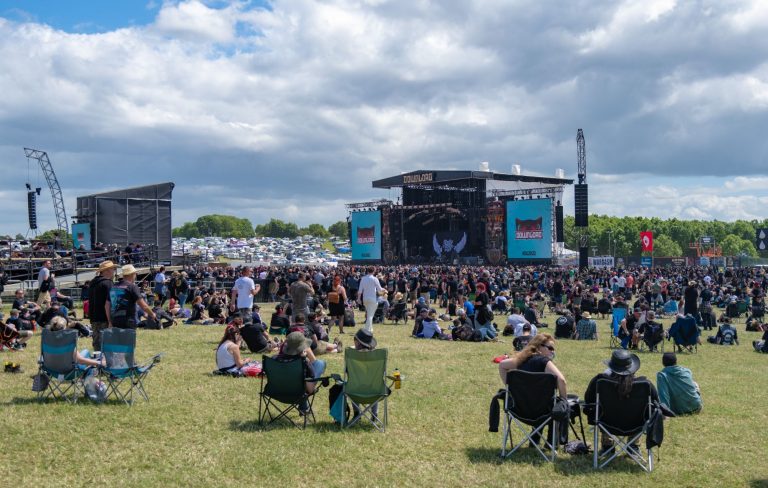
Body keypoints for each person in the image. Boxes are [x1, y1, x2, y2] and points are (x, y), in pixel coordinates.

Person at [583, 349, 660, 454]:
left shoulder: (599, 382)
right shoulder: (645, 385)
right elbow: (656, 406)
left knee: (600, 411)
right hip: (636, 425)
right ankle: (634, 445)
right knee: (644, 413)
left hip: (606, 424)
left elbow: (588, 401)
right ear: (632, 367)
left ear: (612, 366)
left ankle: (607, 445)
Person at [498, 333, 567, 398]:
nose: (552, 351)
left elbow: (502, 365)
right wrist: (564, 401)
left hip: (520, 404)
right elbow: (561, 380)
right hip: (543, 406)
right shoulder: (545, 362)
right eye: (550, 348)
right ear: (539, 346)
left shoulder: (521, 359)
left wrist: (511, 388)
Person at [106, 265, 156, 329]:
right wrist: (152, 314)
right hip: (128, 321)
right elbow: (143, 305)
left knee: (118, 339)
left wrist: (109, 321)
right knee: (129, 339)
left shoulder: (113, 287)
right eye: (135, 274)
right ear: (132, 274)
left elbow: (107, 305)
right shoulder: (132, 287)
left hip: (115, 320)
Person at [88, 260, 117, 350]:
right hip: (105, 318)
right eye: (113, 269)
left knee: (97, 344)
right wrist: (110, 321)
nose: (114, 271)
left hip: (94, 318)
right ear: (107, 270)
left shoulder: (92, 283)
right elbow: (110, 303)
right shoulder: (108, 283)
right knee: (108, 345)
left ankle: (97, 363)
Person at [358, 266, 384, 332]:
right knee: (370, 315)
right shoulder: (375, 279)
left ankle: (370, 328)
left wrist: (359, 299)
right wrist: (385, 290)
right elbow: (380, 289)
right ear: (373, 271)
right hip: (372, 298)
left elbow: (360, 290)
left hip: (365, 299)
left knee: (370, 314)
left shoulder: (363, 278)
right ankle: (367, 330)